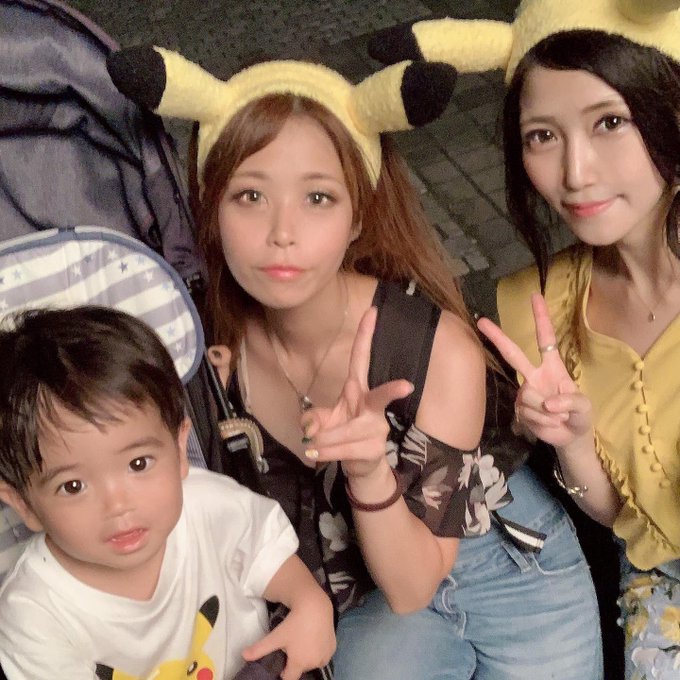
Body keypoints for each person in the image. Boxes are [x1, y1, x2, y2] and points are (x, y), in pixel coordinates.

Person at [107, 46, 602, 679]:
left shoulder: (435, 348)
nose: (282, 232)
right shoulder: (199, 346)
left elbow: (418, 578)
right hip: (373, 592)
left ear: (358, 215)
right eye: (250, 195)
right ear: (210, 206)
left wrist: (369, 470)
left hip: (504, 565)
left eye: (318, 198)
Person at [366, 1, 680, 677]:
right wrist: (572, 440)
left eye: (610, 123)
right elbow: (624, 521)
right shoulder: (533, 309)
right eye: (542, 136)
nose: (576, 171)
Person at [0, 306, 335, 680]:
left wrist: (310, 603)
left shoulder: (208, 505)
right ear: (24, 504)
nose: (118, 505)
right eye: (73, 486)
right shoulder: (33, 614)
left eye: (138, 464)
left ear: (179, 449)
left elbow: (266, 554)